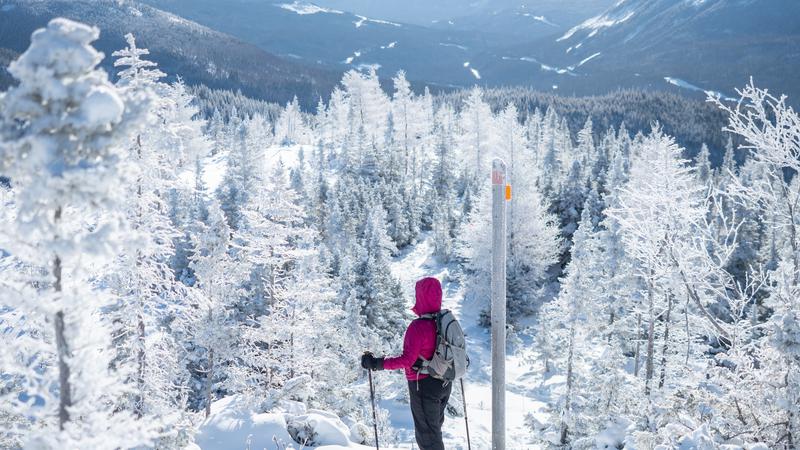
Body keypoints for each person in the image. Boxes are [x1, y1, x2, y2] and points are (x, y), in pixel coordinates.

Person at [361, 277, 452, 450]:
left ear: (420, 297)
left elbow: (407, 360)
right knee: (434, 432)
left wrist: (376, 364)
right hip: (445, 383)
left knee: (428, 438)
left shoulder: (418, 327)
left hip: (423, 385)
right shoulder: (445, 322)